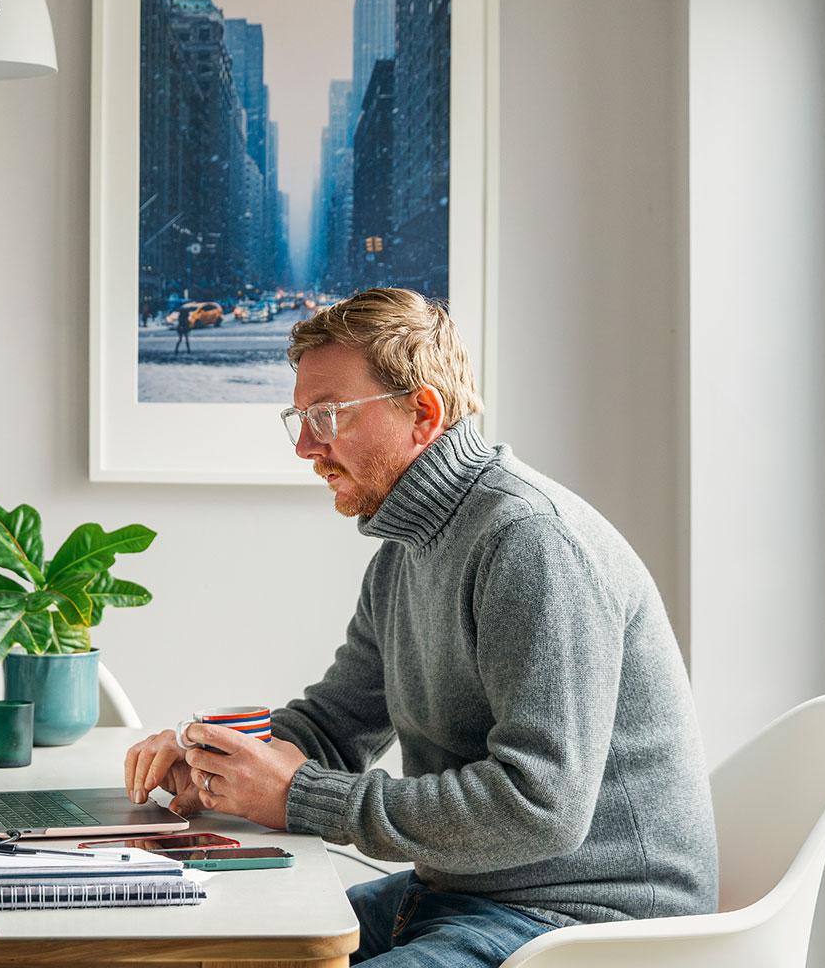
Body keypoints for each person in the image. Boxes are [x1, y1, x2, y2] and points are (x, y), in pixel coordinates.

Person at [124, 288, 717, 968]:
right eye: (300, 417)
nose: (306, 446)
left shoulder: (530, 542)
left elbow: (541, 807)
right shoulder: (406, 553)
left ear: (423, 413)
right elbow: (334, 726)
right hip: (466, 894)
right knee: (200, 949)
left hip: (585, 922)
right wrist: (215, 762)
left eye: (327, 415)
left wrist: (301, 796)